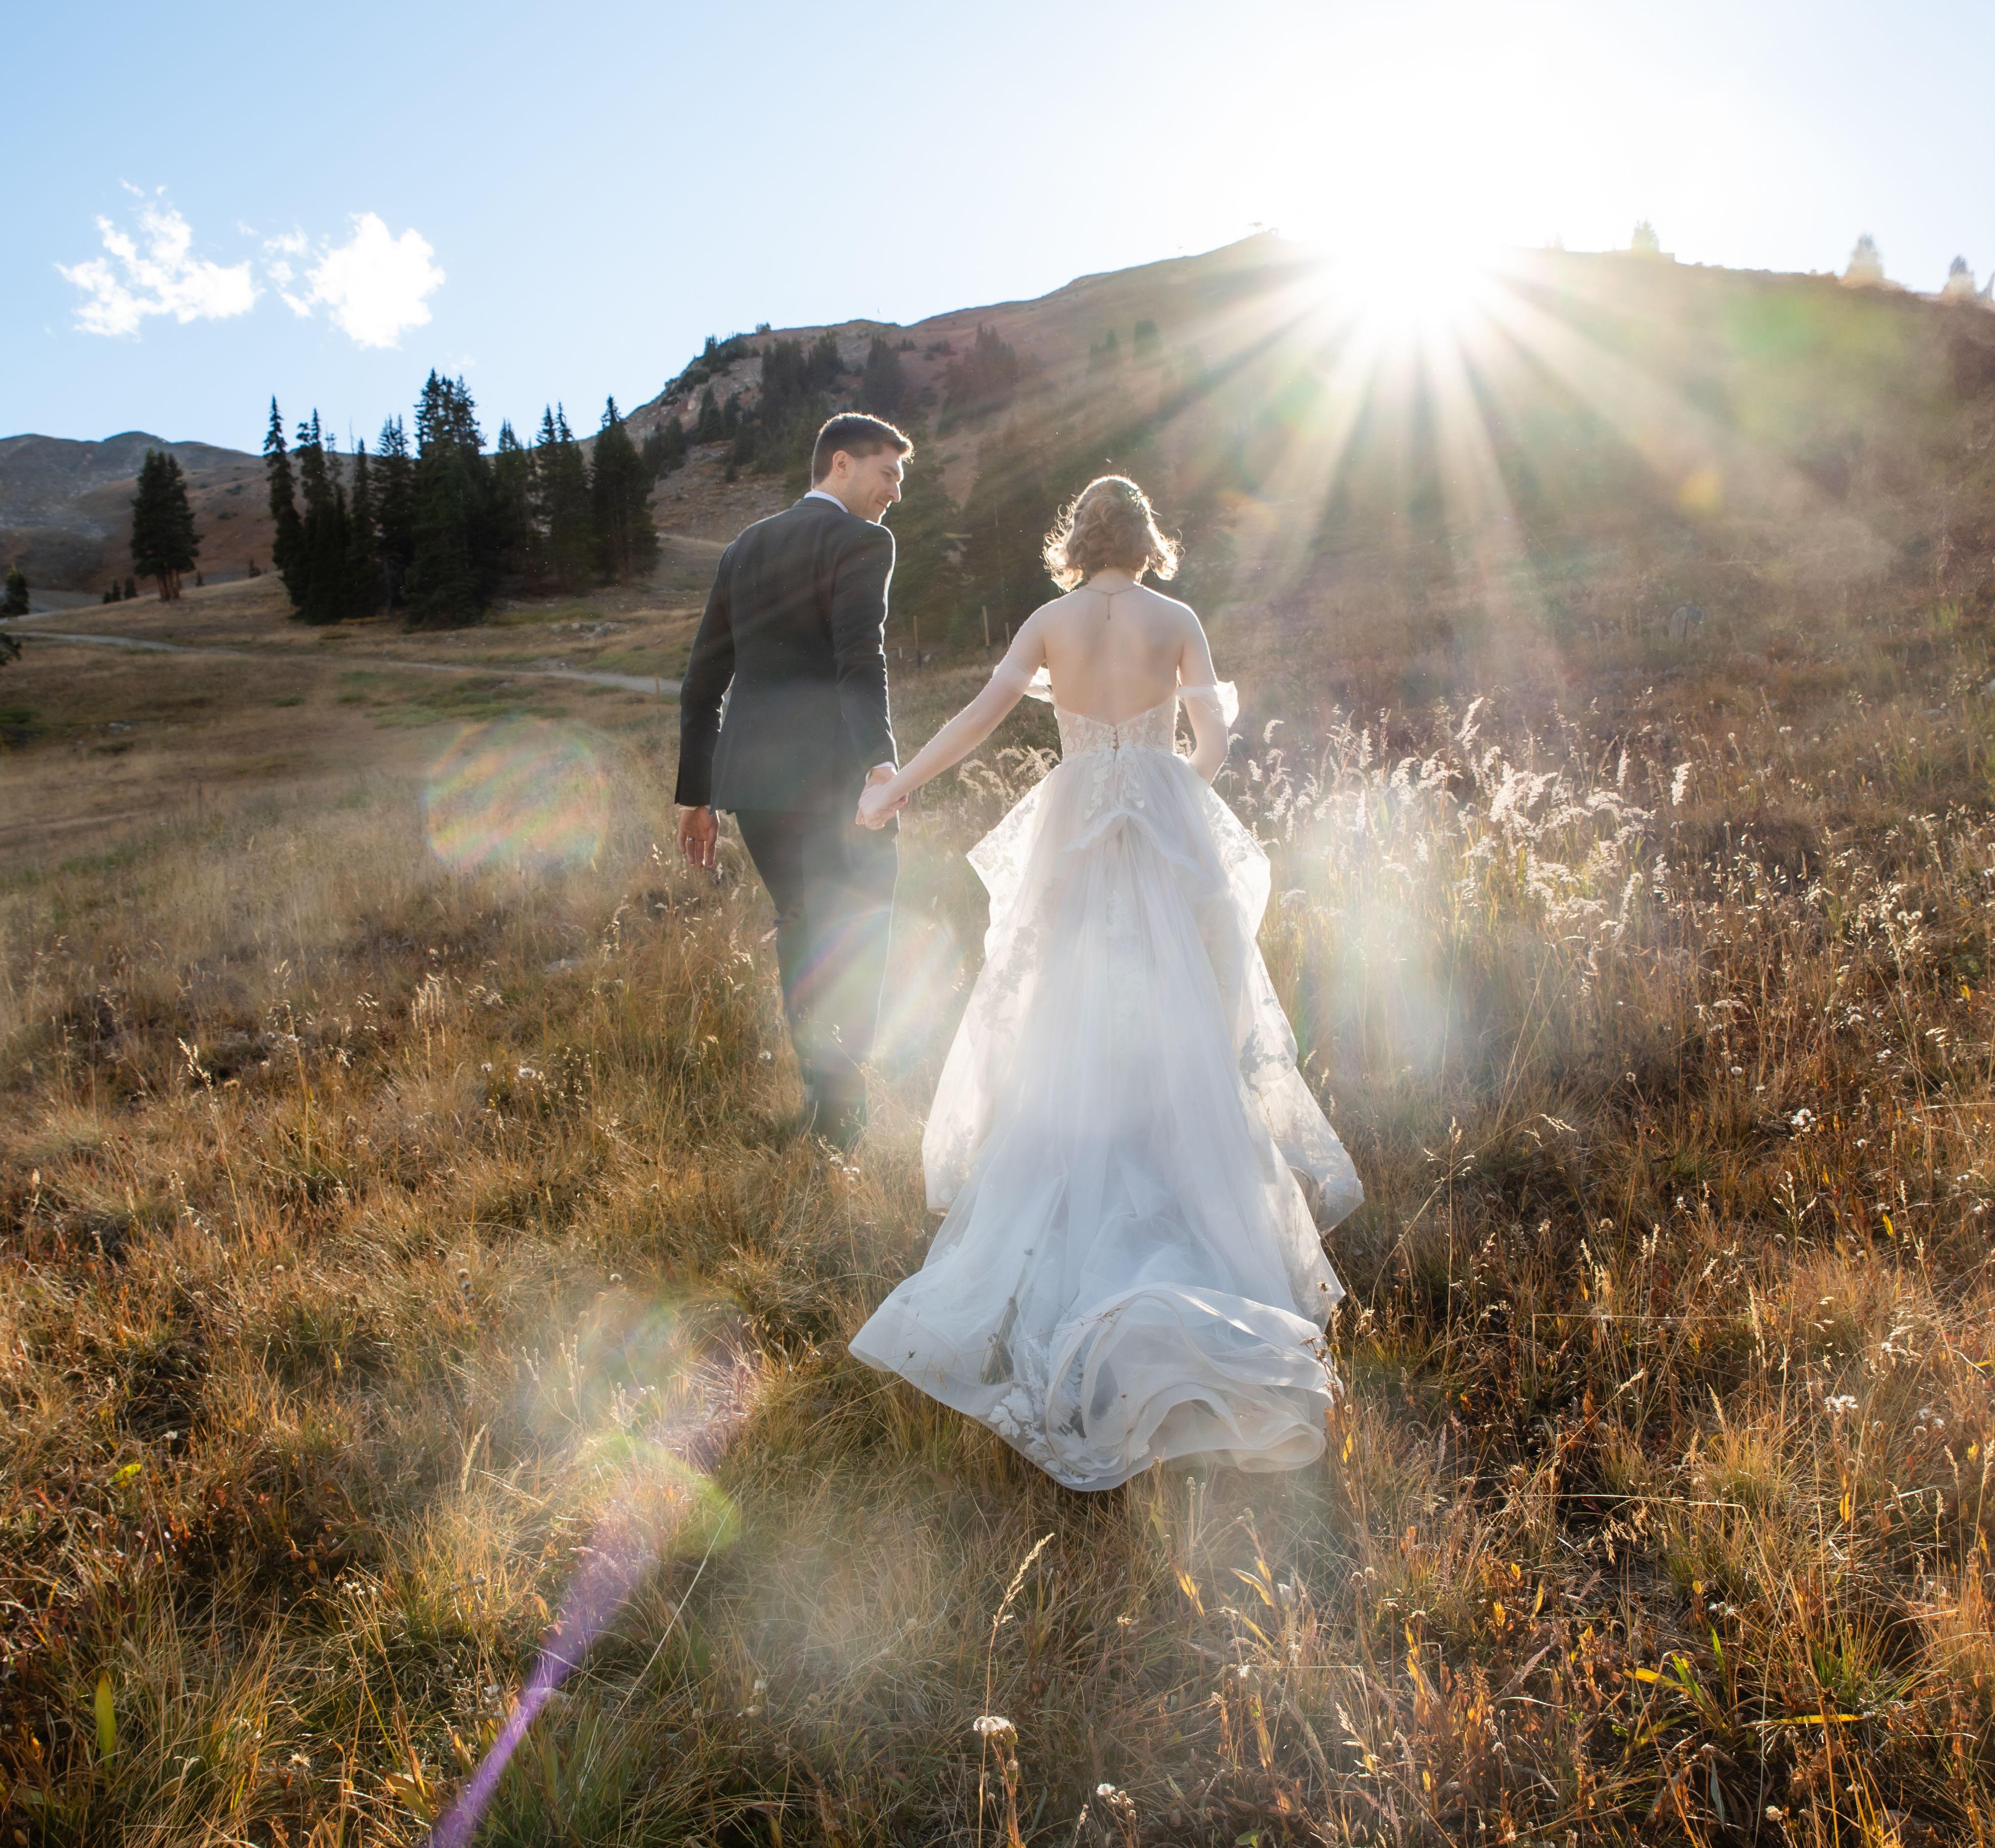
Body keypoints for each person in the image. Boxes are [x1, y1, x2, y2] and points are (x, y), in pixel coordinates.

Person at [848, 476, 1363, 1490]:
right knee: (1183, 1023)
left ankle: (1077, 1216)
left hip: (1073, 836)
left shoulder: (1050, 622)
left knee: (1064, 1020)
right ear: (1147, 539)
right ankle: (1193, 1226)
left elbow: (982, 717)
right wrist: (1163, 790)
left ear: (1077, 541)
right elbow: (1213, 748)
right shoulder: (1178, 619)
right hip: (1160, 838)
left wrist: (896, 787)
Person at [675, 412, 911, 1148]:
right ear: (841, 463)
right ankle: (842, 1112)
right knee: (860, 930)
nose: (895, 493)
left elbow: (702, 680)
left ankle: (822, 1103)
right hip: (835, 781)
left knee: (804, 928)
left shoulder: (744, 547)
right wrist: (880, 762)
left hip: (753, 787)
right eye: (887, 473)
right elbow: (859, 658)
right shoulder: (862, 541)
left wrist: (696, 794)